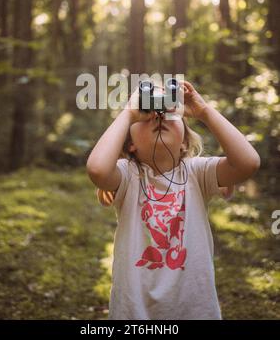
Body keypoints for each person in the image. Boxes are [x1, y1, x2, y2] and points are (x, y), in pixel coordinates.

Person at [86, 80, 260, 320]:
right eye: (146, 114)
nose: (158, 116)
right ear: (131, 145)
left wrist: (204, 112)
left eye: (168, 111)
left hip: (195, 310)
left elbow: (248, 163)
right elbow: (97, 170)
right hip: (135, 312)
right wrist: (128, 113)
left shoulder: (197, 173)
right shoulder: (128, 175)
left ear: (185, 143)